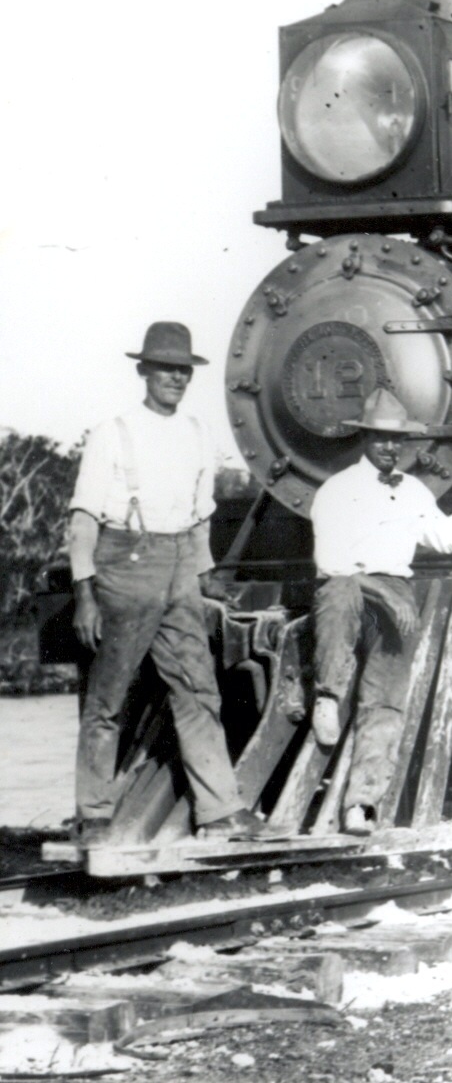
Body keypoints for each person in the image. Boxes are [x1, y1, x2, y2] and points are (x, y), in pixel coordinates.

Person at [67, 322, 262, 847]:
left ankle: (220, 810)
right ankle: (93, 815)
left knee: (198, 688)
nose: (176, 377)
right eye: (165, 368)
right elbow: (83, 521)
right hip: (125, 563)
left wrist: (205, 578)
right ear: (144, 371)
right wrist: (84, 595)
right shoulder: (113, 432)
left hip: (180, 566)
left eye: (183, 370)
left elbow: (200, 519)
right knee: (109, 694)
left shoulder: (198, 433)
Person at [308, 389, 452, 835]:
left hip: (394, 590)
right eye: (381, 438)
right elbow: (332, 563)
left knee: (386, 698)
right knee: (340, 594)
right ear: (364, 438)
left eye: (396, 439)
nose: (389, 447)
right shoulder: (337, 489)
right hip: (351, 588)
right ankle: (328, 695)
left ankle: (361, 804)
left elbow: (446, 538)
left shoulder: (414, 491)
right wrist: (386, 595)